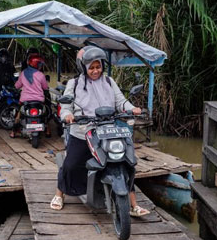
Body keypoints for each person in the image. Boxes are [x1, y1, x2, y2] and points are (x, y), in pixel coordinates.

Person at [50, 47, 150, 218]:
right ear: (84, 67)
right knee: (71, 164)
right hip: (83, 130)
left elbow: (121, 102)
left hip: (108, 130)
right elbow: (66, 106)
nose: (95, 71)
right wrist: (68, 115)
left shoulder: (109, 82)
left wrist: (132, 109)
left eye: (98, 67)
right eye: (91, 67)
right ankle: (59, 194)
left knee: (125, 162)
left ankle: (133, 205)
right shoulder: (74, 84)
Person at [10, 53, 49, 138]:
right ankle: (48, 131)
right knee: (45, 114)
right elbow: (45, 87)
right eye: (40, 64)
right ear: (37, 64)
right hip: (39, 100)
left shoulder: (23, 73)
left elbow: (17, 86)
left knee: (18, 115)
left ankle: (13, 132)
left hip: (25, 100)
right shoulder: (41, 75)